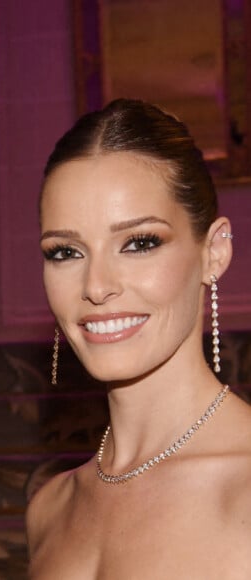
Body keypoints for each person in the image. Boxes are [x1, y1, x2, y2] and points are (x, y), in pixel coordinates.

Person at [26, 99, 251, 579]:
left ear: (214, 252)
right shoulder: (50, 509)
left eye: (140, 243)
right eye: (65, 252)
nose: (96, 286)